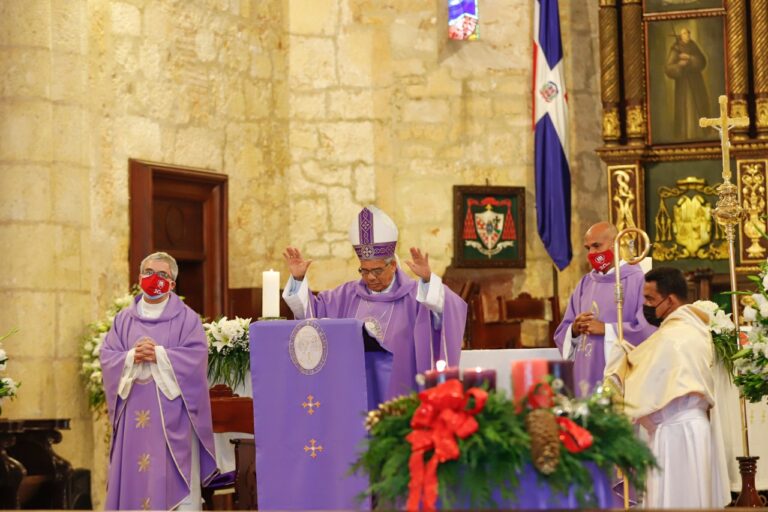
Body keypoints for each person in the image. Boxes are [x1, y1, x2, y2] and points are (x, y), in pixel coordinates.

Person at [282, 205, 467, 405]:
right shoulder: (345, 296)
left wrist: (429, 281)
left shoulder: (416, 296)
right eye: (364, 270)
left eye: (377, 271)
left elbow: (446, 310)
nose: (370, 277)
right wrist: (299, 279)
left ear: (393, 265)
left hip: (402, 392)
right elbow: (313, 318)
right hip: (355, 392)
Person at [100, 252, 217, 510]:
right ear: (140, 277)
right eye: (149, 273)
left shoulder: (188, 319)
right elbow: (108, 357)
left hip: (172, 418)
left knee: (168, 479)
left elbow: (196, 359)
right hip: (133, 417)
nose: (155, 279)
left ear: (173, 284)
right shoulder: (123, 320)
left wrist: (159, 354)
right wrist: (131, 357)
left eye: (163, 275)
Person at [604, 267, 729, 508]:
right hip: (688, 430)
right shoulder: (692, 328)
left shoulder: (674, 336)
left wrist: (620, 360)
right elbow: (651, 362)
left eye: (650, 299)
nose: (647, 306)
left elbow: (641, 372)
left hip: (677, 434)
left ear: (669, 300)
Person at [553, 222, 655, 396]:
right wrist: (575, 329)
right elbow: (563, 330)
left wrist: (607, 329)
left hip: (620, 374)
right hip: (585, 372)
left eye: (597, 246)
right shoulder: (585, 283)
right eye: (588, 248)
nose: (592, 253)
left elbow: (647, 329)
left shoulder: (638, 280)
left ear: (616, 243)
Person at [664, 28, 711, 140]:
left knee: (699, 104)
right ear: (681, 36)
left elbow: (702, 61)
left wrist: (690, 58)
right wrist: (680, 64)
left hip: (696, 81)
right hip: (683, 83)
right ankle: (685, 135)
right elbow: (668, 68)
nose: (687, 35)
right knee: (685, 107)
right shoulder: (675, 48)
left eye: (688, 33)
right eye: (685, 33)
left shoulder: (693, 46)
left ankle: (701, 133)